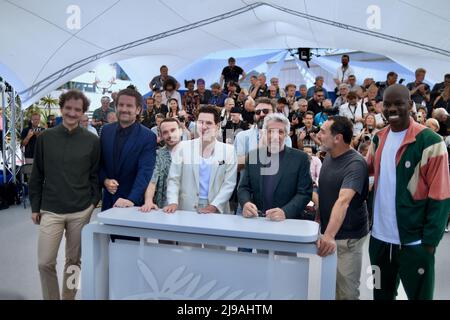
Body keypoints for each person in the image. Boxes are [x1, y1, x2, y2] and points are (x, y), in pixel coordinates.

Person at [366, 84, 450, 300]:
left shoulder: (431, 141)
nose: (392, 109)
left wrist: (429, 242)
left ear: (410, 105)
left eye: (398, 103)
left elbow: (441, 195)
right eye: (387, 104)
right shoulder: (378, 138)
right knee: (380, 295)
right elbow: (365, 172)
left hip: (414, 243)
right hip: (379, 241)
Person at [29, 90, 100, 300]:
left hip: (81, 211)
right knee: (45, 262)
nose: (72, 112)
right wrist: (35, 207)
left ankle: (69, 298)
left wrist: (92, 203)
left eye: (77, 109)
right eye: (68, 108)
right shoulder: (45, 138)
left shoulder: (92, 141)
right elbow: (37, 175)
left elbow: (95, 175)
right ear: (61, 109)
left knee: (74, 261)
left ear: (83, 113)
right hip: (51, 209)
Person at [316, 116, 369, 300]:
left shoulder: (355, 164)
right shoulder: (330, 156)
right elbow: (326, 191)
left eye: (323, 132)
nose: (318, 135)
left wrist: (328, 235)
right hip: (329, 234)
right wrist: (319, 221)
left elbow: (343, 201)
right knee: (330, 289)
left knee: (346, 293)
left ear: (337, 138)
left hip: (347, 240)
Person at [238, 113, 312, 220]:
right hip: (257, 220)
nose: (275, 136)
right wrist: (246, 203)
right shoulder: (253, 156)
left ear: (287, 134)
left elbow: (304, 193)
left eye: (280, 132)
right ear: (265, 133)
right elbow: (244, 187)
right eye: (271, 131)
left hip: (288, 222)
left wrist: (285, 212)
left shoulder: (301, 158)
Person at [164, 105, 237, 214]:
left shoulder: (229, 151)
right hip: (185, 208)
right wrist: (173, 201)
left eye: (209, 123)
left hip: (216, 210)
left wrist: (214, 206)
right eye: (200, 122)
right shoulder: (182, 147)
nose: (203, 127)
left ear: (217, 126)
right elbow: (173, 179)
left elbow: (229, 184)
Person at [99, 88, 157, 212]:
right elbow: (100, 162)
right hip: (108, 201)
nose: (124, 109)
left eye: (129, 106)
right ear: (115, 107)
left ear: (138, 110)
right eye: (121, 105)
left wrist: (131, 199)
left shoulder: (148, 137)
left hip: (133, 204)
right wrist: (105, 180)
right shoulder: (106, 131)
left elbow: (145, 171)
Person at [234, 98, 292, 171]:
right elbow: (236, 167)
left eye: (265, 111)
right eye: (257, 112)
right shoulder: (242, 136)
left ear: (274, 113)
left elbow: (286, 165)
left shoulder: (285, 138)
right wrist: (258, 152)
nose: (261, 114)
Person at [140, 118, 183, 211]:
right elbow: (152, 180)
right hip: (166, 207)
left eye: (173, 130)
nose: (170, 135)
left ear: (181, 131)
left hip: (189, 206)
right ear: (161, 135)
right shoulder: (158, 155)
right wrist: (148, 201)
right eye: (165, 132)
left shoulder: (192, 152)